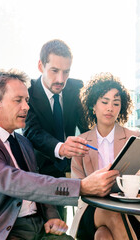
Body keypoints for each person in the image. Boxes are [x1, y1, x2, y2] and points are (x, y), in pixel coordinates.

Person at [0, 69, 119, 240]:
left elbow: (37, 180)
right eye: (18, 100)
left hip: (40, 229)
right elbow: (14, 181)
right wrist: (81, 187)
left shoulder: (24, 143)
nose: (26, 107)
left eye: (27, 100)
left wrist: (52, 216)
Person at [70, 73, 140, 240]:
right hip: (92, 208)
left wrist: (138, 181)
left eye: (116, 103)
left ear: (121, 108)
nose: (110, 108)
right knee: (109, 212)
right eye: (104, 102)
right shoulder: (81, 141)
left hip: (127, 208)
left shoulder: (134, 137)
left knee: (103, 236)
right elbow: (77, 185)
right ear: (93, 106)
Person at [23, 39, 89, 221]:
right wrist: (60, 148)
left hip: (70, 171)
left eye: (66, 72)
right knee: (54, 224)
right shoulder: (27, 91)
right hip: (39, 170)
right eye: (54, 71)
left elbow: (87, 127)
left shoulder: (76, 88)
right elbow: (31, 132)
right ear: (40, 66)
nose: (61, 79)